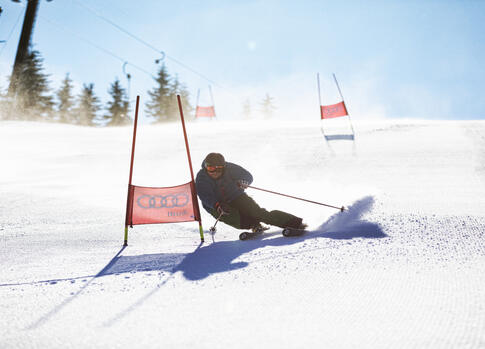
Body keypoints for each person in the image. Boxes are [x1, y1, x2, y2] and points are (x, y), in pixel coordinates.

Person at [195, 152, 307, 233]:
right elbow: (205, 196)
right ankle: (254, 224)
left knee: (259, 213)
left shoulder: (230, 168)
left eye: (217, 169)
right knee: (239, 221)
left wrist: (243, 182)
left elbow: (247, 175)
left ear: (223, 167)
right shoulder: (202, 177)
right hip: (216, 205)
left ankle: (294, 223)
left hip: (235, 195)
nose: (213, 172)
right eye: (210, 168)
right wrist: (217, 205)